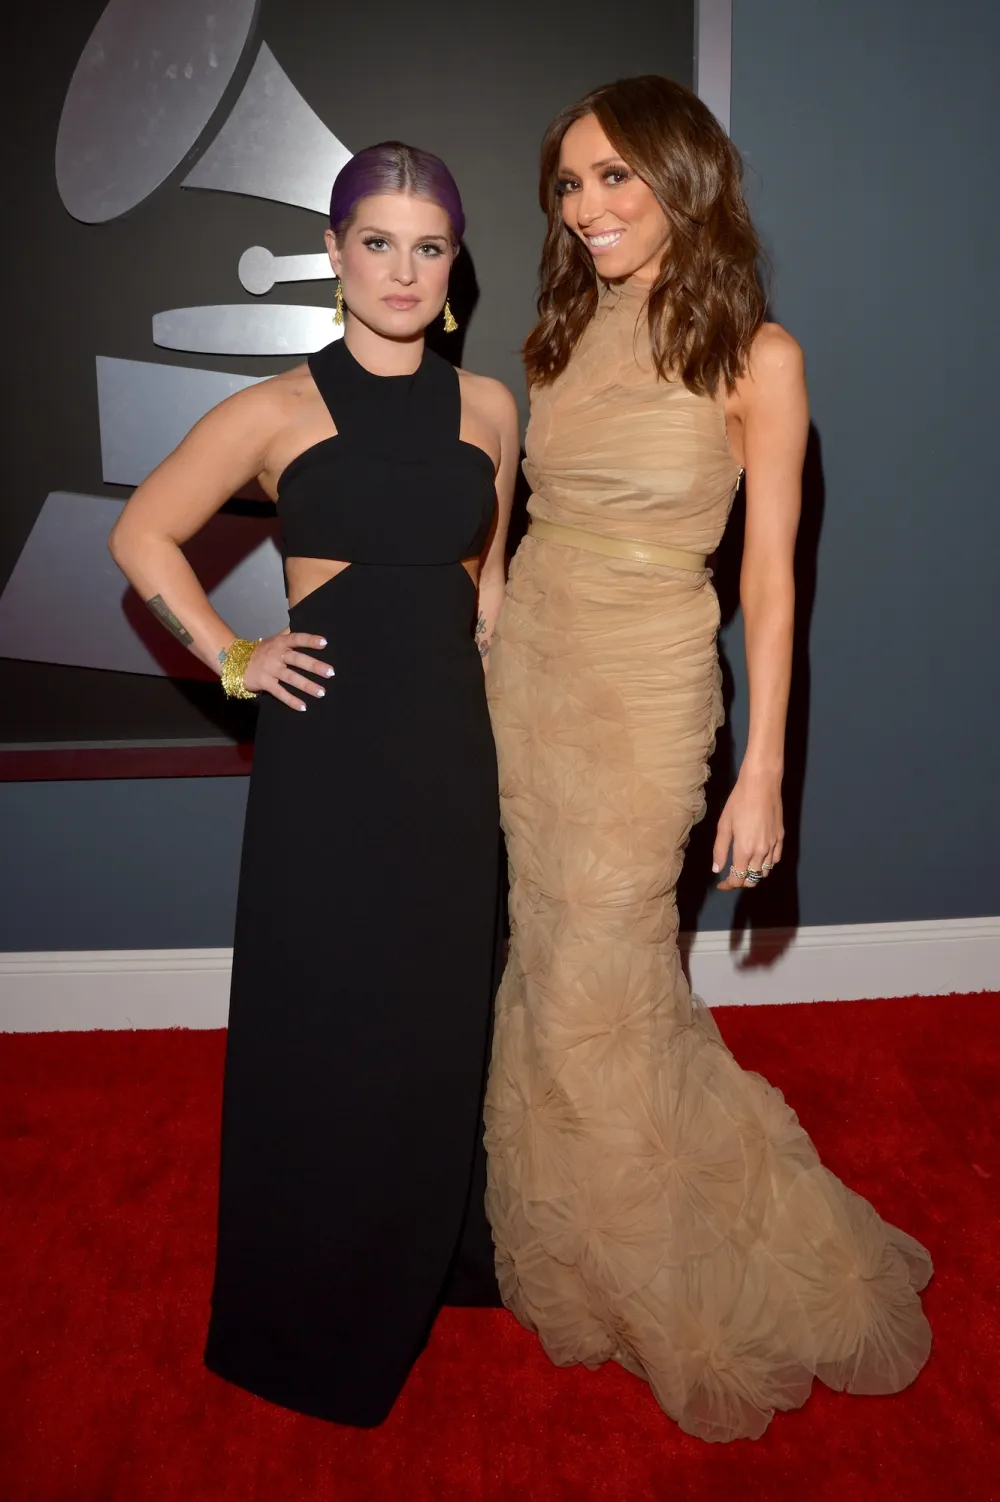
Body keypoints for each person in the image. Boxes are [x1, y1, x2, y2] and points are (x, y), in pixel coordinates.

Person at [483, 77, 932, 1443]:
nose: (592, 208)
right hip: (534, 677)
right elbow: (514, 509)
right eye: (571, 185)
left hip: (650, 680)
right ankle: (584, 1250)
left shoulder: (761, 354)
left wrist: (761, 772)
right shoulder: (556, 336)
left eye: (618, 178)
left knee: (605, 981)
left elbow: (777, 587)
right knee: (550, 959)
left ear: (687, 182)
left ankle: (678, 1267)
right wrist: (487, 612)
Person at [109, 142, 518, 1426]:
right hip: (330, 752)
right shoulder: (278, 407)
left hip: (452, 745)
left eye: (429, 246)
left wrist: (500, 684)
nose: (403, 268)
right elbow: (141, 534)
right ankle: (310, 1303)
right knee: (329, 1011)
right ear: (337, 256)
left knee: (447, 999)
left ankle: (445, 1247)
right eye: (379, 242)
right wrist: (232, 653)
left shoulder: (491, 406)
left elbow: (486, 574)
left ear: (453, 268)